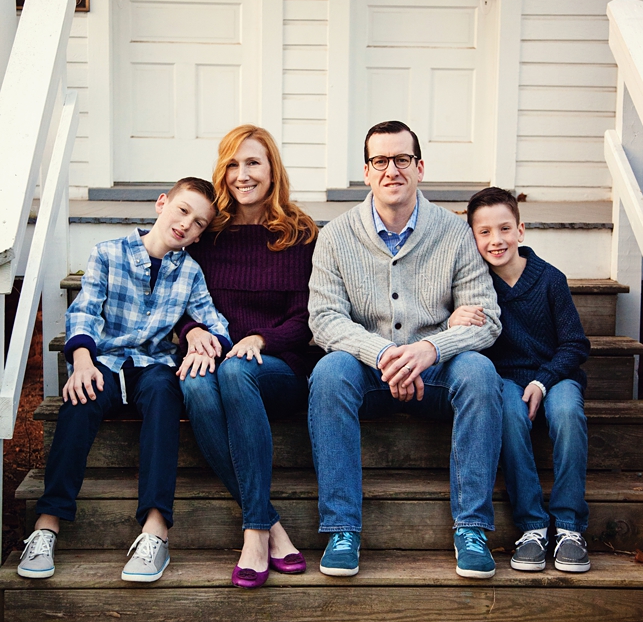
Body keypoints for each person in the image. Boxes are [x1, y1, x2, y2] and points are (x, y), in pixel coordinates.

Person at [307, 120, 503, 580]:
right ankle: (341, 529)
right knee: (329, 371)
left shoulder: (454, 234)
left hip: (436, 376)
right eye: (380, 161)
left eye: (401, 160)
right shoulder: (335, 236)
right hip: (367, 375)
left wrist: (429, 349)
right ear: (367, 171)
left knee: (479, 372)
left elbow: (488, 319)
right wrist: (384, 355)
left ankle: (472, 527)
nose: (391, 170)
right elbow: (324, 320)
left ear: (419, 168)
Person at [17, 178, 231, 582]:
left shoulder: (190, 272)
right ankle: (47, 525)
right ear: (162, 203)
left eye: (200, 223)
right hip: (105, 362)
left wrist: (200, 334)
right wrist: (82, 358)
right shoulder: (108, 254)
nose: (187, 225)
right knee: (79, 402)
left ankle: (155, 531)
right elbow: (84, 312)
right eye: (183, 211)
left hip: (153, 365)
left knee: (166, 396)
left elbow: (216, 324)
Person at [178, 125, 319, 589]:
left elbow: (307, 319)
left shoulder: (299, 234)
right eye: (233, 164)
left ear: (271, 169)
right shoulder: (205, 235)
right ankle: (268, 527)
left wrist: (260, 339)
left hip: (280, 368)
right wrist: (192, 329)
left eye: (253, 162)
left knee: (237, 370)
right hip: (215, 364)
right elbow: (174, 301)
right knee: (195, 383)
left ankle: (253, 533)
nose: (243, 174)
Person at [451, 187, 591, 572]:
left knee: (566, 413)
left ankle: (568, 525)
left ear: (521, 230)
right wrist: (452, 321)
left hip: (556, 375)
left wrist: (544, 380)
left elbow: (576, 344)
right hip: (506, 379)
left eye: (505, 229)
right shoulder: (475, 287)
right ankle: (531, 526)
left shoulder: (550, 280)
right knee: (509, 416)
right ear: (473, 237)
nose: (496, 240)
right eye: (484, 232)